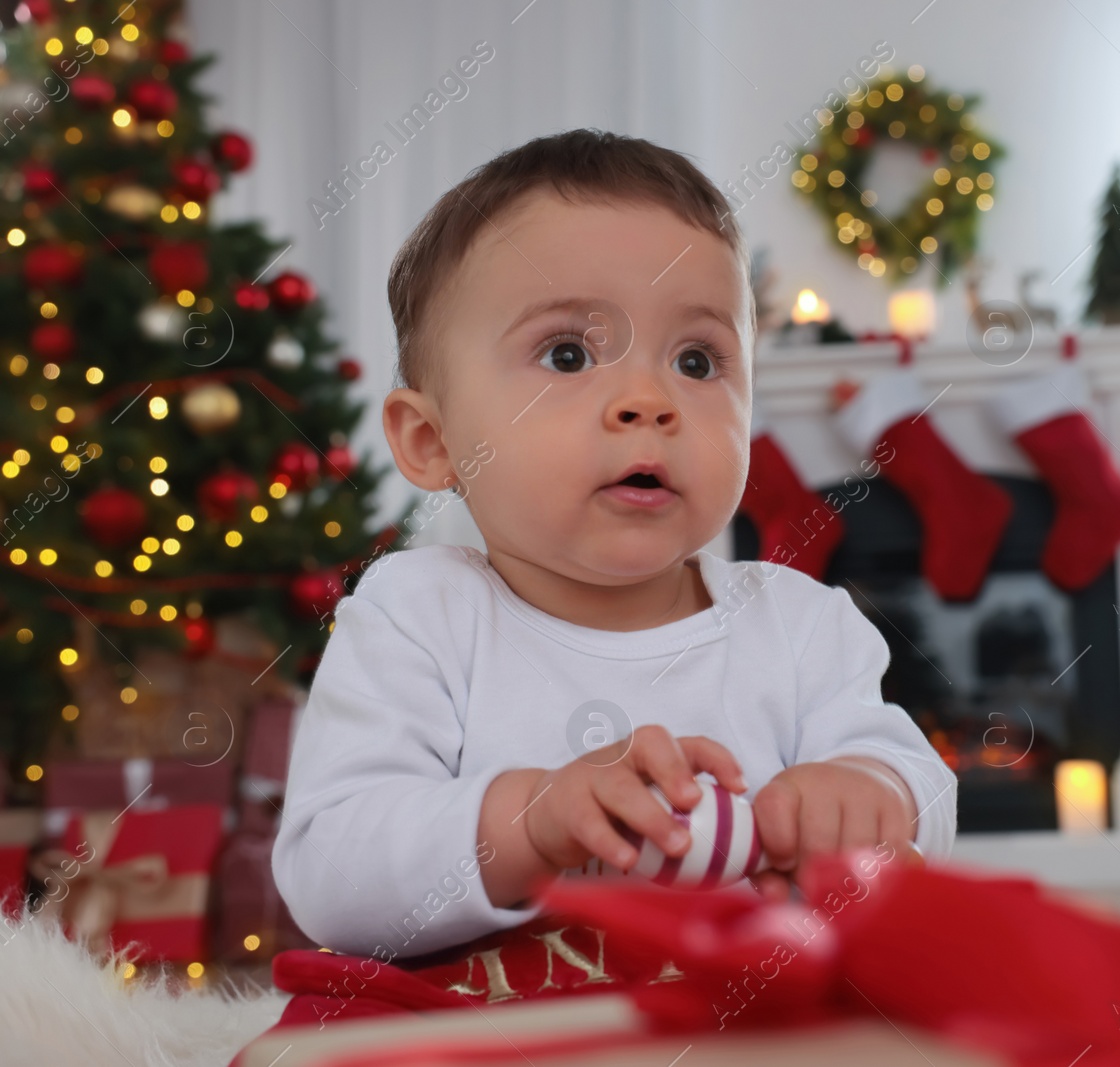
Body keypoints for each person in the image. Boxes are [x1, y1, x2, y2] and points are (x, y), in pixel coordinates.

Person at [271, 129, 958, 959]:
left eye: (698, 361)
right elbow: (331, 875)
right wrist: (531, 820)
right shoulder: (419, 617)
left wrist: (870, 794)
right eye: (568, 353)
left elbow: (921, 782)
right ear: (431, 439)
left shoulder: (800, 623)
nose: (648, 399)